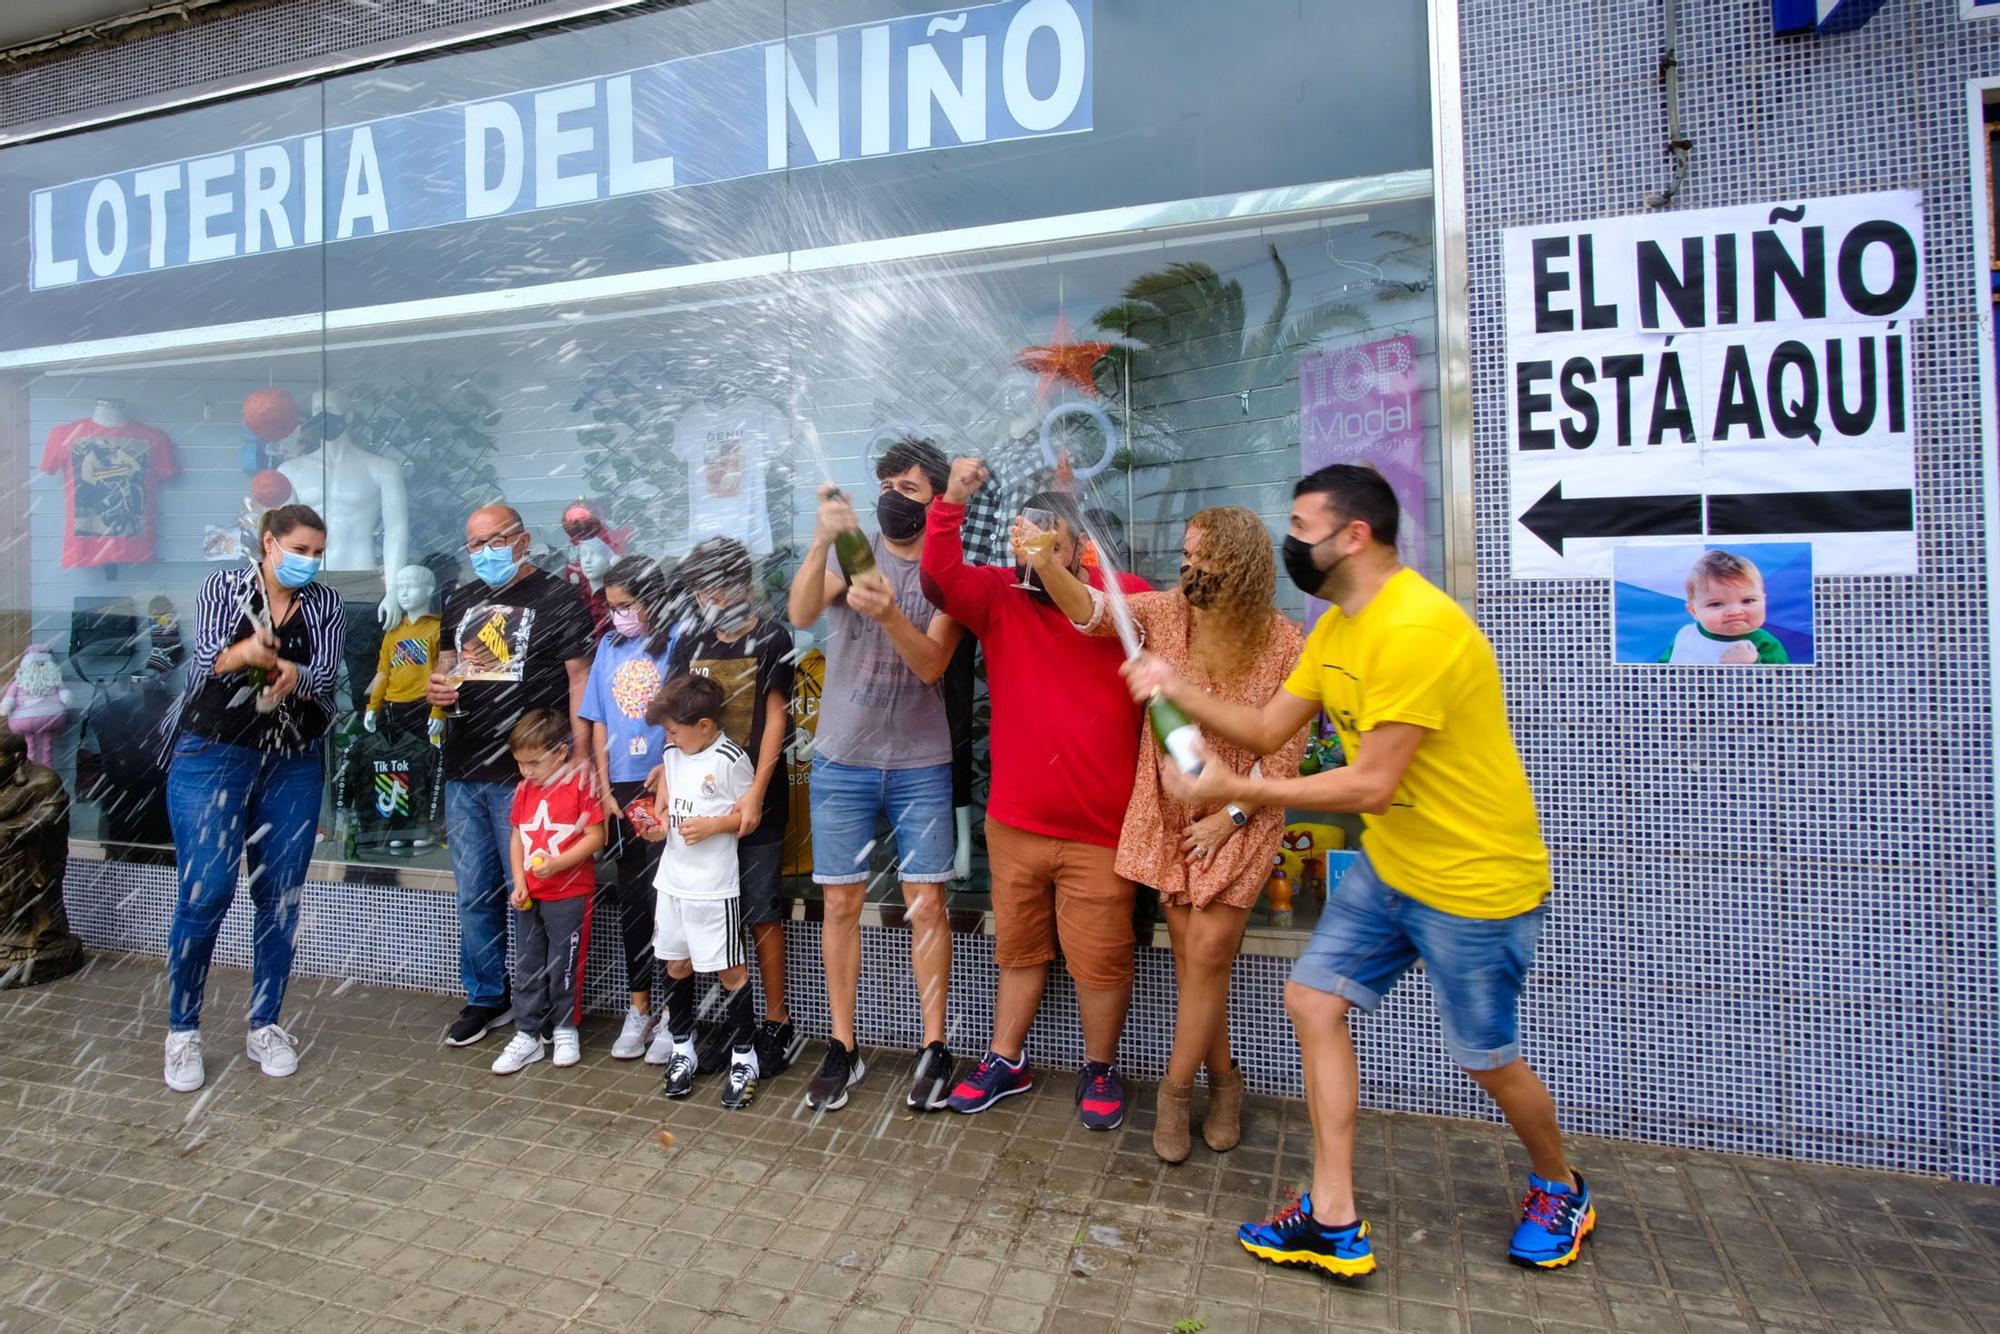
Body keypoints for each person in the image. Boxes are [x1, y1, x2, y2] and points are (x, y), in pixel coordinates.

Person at [1124, 463, 1590, 1277]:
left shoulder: (1416, 630)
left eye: (1302, 525)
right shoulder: (1339, 626)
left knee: (1486, 1057)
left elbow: (1371, 781)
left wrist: (1236, 790)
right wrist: (1176, 688)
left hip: (1475, 882)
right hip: (1396, 867)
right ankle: (1333, 1217)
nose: (1290, 540)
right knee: (1310, 999)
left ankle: (1561, 1187)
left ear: (1354, 536)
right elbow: (1268, 726)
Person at [1027, 505, 1306, 1162]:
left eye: (1203, 559)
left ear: (1237, 567)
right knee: (1193, 968)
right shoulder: (1163, 614)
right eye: (1186, 555)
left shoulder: (1286, 643)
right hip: (1172, 812)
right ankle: (1226, 1082)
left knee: (1207, 958)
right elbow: (1092, 611)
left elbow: (1284, 756)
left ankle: (1175, 1095)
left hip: (1239, 817)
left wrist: (1229, 817)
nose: (1190, 569)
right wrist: (1043, 560)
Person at [920, 459, 1149, 1131]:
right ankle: (1004, 1059)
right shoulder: (999, 595)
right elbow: (940, 581)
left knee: (1101, 963)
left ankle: (1100, 1066)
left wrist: (1056, 569)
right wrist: (953, 502)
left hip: (1099, 829)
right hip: (1015, 822)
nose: (1034, 553)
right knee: (1018, 951)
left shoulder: (1123, 595)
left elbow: (1098, 619)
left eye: (1050, 539)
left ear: (1080, 544)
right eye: (1027, 539)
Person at [786, 437, 963, 1113]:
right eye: (887, 483)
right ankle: (843, 1044)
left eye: (910, 488)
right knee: (840, 903)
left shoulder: (947, 570)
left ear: (936, 499)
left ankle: (934, 1045)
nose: (893, 496)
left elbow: (930, 665)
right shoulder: (852, 552)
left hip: (921, 762)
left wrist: (889, 613)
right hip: (842, 759)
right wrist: (818, 542)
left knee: (928, 905)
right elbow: (801, 613)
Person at [161, 504, 345, 1092]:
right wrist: (246, 654)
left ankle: (265, 1023)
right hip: (213, 752)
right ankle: (182, 1030)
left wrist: (297, 673)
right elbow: (210, 656)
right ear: (270, 543)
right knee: (206, 890)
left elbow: (328, 671)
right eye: (301, 550)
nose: (310, 563)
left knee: (281, 897)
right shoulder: (225, 586)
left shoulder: (326, 603)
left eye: (318, 553)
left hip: (292, 760)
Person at [429, 504, 596, 1048]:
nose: (484, 553)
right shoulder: (458, 598)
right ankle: (486, 997)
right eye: (474, 544)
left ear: (522, 540)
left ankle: (546, 1008)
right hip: (464, 766)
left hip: (530, 775)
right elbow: (449, 669)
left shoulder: (558, 596)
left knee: (535, 892)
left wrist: (582, 755)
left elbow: (579, 679)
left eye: (495, 540)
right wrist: (438, 692)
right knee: (475, 892)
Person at [671, 537, 800, 1081]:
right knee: (704, 908)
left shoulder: (772, 637)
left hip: (754, 804)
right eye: (701, 589)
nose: (709, 598)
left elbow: (776, 721)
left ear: (742, 586)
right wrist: (665, 765)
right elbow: (674, 718)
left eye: (717, 587)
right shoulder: (691, 640)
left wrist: (756, 791)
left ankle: (777, 1021)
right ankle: (724, 1019)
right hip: (699, 806)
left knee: (759, 911)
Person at [578, 554, 685, 1060]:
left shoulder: (678, 640)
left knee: (668, 900)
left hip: (662, 783)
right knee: (634, 901)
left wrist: (669, 767)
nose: (620, 615)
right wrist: (602, 786)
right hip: (620, 789)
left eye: (628, 605)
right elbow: (599, 720)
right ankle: (638, 1007)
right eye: (613, 606)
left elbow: (684, 717)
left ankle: (673, 1013)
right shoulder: (608, 646)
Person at [642, 673, 761, 1107]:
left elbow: (748, 817)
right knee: (676, 965)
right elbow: (665, 811)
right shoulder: (673, 752)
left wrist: (715, 825)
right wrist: (656, 829)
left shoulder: (731, 758)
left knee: (730, 971)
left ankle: (745, 1057)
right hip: (672, 882)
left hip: (714, 887)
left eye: (675, 729)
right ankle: (682, 1049)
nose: (670, 737)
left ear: (706, 726)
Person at [490, 710, 608, 1075]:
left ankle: (564, 1027)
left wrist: (559, 865)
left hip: (570, 894)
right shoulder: (524, 790)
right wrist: (519, 881)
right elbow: (516, 837)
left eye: (533, 763)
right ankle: (528, 1032)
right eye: (520, 763)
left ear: (560, 752)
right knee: (527, 964)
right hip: (531, 894)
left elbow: (596, 836)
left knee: (565, 965)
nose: (526, 771)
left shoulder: (579, 786)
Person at [1660, 549, 1788, 664]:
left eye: (1748, 601)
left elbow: (1784, 685)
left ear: (1763, 601)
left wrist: (1753, 664)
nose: (1734, 612)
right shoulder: (1685, 636)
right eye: (1716, 604)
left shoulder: (1765, 644)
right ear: (1693, 611)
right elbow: (1657, 676)